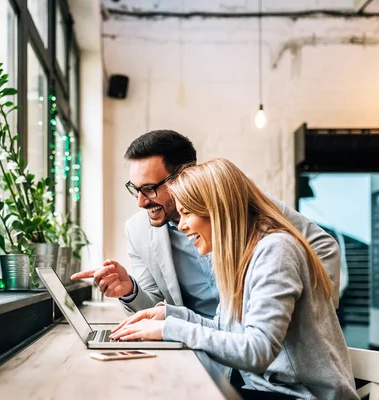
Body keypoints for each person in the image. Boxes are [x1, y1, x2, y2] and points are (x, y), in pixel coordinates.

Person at [109, 159, 358, 400]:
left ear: (217, 210)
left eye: (186, 213)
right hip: (268, 390)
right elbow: (225, 328)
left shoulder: (276, 250)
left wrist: (169, 329)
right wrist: (170, 315)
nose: (182, 226)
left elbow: (257, 350)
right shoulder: (235, 257)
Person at [72, 130, 341, 319]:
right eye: (135, 189)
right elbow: (156, 307)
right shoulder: (138, 231)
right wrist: (129, 290)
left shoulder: (240, 203)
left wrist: (303, 318)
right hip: (201, 350)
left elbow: (323, 247)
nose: (141, 202)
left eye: (150, 189)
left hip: (265, 354)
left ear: (185, 176)